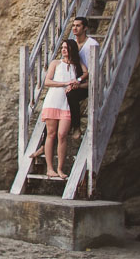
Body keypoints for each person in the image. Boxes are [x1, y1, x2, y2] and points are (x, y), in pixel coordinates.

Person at [39, 38, 84, 179]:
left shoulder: (77, 65)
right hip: (53, 101)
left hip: (66, 104)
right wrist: (65, 83)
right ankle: (50, 168)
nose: (64, 50)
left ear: (72, 49)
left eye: (66, 47)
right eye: (63, 47)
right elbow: (47, 81)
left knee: (62, 135)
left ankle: (60, 168)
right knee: (51, 134)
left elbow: (86, 74)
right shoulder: (56, 63)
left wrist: (78, 82)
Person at [68, 17, 98, 134]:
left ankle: (76, 127)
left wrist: (79, 80)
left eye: (78, 26)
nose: (75, 28)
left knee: (71, 95)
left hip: (88, 82)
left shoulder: (92, 44)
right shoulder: (72, 44)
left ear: (85, 28)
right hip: (74, 79)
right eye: (73, 25)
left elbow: (92, 70)